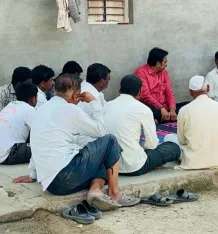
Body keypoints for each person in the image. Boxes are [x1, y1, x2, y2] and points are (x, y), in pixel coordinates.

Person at [13, 74, 139, 210]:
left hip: (52, 186)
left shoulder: (42, 109)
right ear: (76, 95)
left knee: (101, 160)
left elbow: (38, 142)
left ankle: (95, 191)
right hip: (66, 176)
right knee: (110, 141)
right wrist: (94, 102)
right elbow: (101, 131)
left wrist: (32, 175)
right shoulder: (71, 110)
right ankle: (115, 194)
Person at [104, 75, 181, 176]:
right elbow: (152, 145)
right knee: (173, 147)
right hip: (134, 167)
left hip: (109, 166)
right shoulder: (143, 109)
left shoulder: (106, 105)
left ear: (119, 90)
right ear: (140, 92)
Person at [164, 75, 218, 170]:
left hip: (194, 161)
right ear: (208, 88)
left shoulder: (184, 110)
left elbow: (182, 140)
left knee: (168, 138)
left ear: (190, 92)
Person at [135, 47, 178, 122]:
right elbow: (145, 96)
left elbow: (169, 92)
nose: (166, 64)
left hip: (165, 107)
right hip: (152, 107)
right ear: (158, 64)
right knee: (150, 111)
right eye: (165, 62)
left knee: (186, 108)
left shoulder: (164, 73)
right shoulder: (141, 72)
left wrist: (172, 109)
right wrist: (161, 108)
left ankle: (165, 118)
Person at [0, 83, 38, 165]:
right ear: (33, 99)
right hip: (8, 155)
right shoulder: (29, 109)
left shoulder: (10, 105)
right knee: (44, 147)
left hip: (2, 151)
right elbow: (41, 132)